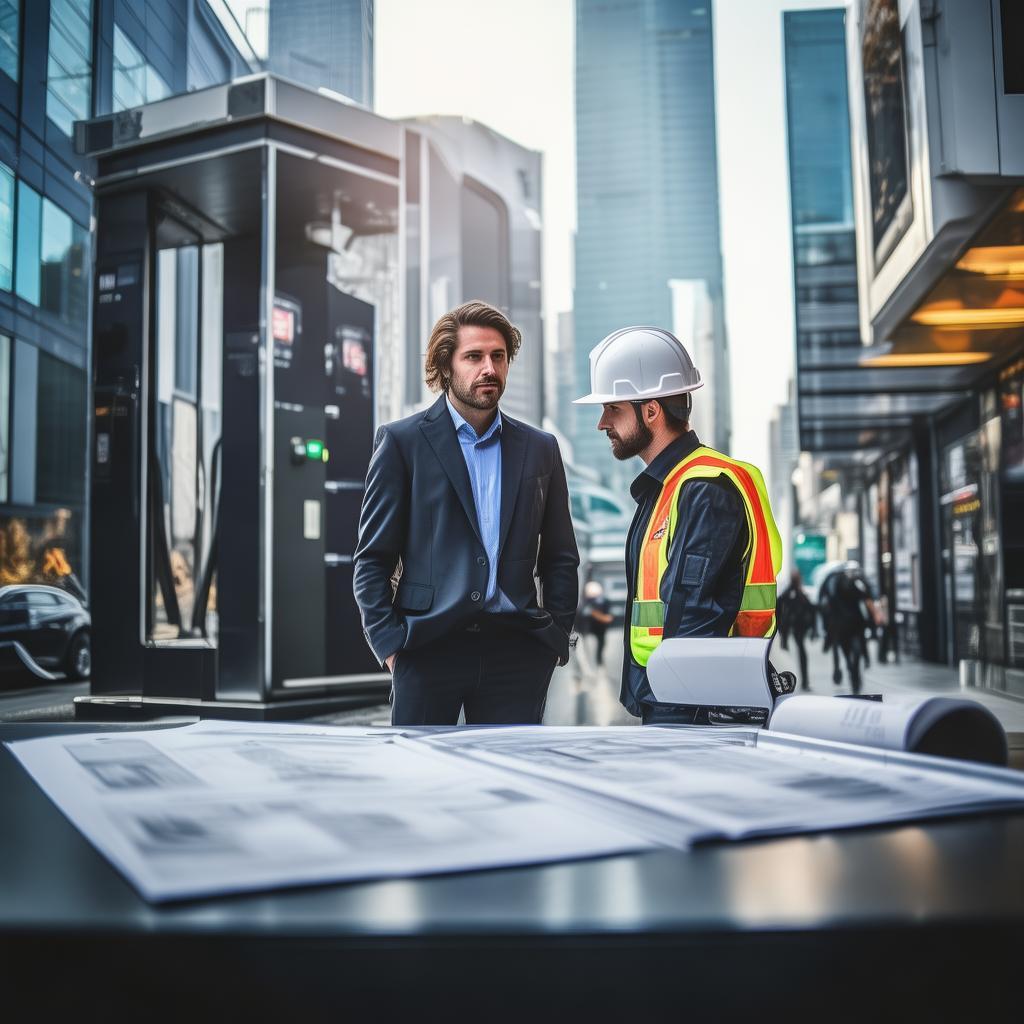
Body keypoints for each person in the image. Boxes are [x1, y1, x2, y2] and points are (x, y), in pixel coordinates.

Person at [353, 301, 579, 726]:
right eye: (473, 356)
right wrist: (390, 646)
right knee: (422, 784)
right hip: (425, 649)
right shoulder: (402, 443)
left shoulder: (540, 449)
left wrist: (554, 640)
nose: (488, 368)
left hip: (517, 653)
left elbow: (561, 557)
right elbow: (372, 559)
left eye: (498, 356)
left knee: (511, 785)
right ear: (446, 365)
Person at [574, 327, 783, 725]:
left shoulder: (704, 489)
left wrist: (668, 713)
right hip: (681, 699)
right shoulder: (668, 488)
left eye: (612, 409)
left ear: (650, 411)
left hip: (693, 708)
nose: (602, 423)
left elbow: (693, 616)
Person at [818, 564, 875, 695]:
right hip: (853, 624)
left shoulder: (833, 585)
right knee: (855, 651)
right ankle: (854, 674)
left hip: (844, 625)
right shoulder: (855, 583)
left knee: (846, 651)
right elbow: (867, 596)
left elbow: (824, 605)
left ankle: (851, 673)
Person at [777, 569, 817, 691]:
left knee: (801, 651)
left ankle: (804, 681)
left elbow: (811, 609)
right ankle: (801, 681)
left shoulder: (798, 592)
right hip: (794, 626)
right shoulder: (792, 592)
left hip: (799, 627)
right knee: (799, 652)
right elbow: (780, 604)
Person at [581, 580, 614, 666]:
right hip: (588, 633)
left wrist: (597, 615)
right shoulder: (585, 603)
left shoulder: (605, 602)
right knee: (589, 654)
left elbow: (608, 618)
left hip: (600, 632)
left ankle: (599, 668)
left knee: (599, 652)